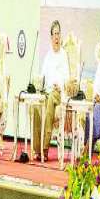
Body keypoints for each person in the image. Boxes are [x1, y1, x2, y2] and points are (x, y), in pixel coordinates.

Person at [32, 20, 70, 160]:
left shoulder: (63, 55)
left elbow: (67, 78)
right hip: (47, 92)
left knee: (49, 103)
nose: (57, 37)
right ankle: (37, 149)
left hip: (59, 93)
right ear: (51, 37)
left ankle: (45, 148)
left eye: (58, 34)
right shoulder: (48, 56)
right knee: (36, 107)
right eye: (54, 34)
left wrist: (60, 85)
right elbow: (42, 78)